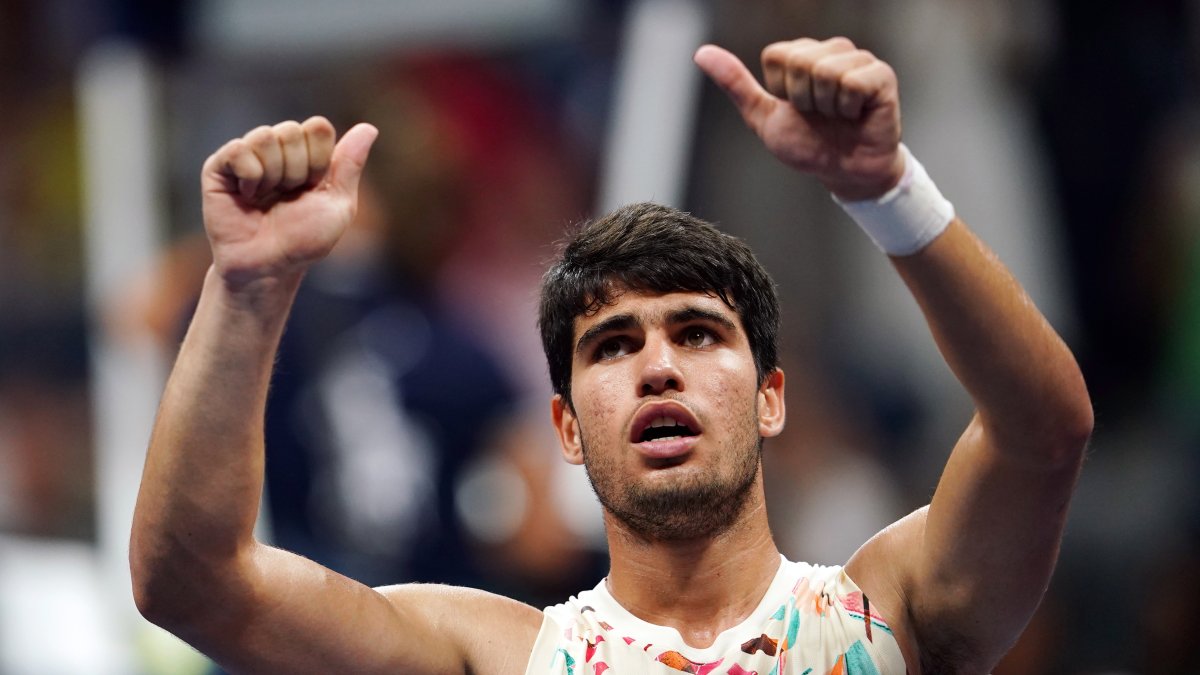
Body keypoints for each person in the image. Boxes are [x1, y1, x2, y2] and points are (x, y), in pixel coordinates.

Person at [130, 36, 1092, 674]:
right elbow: (193, 581)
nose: (658, 365)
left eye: (699, 332)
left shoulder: (892, 613)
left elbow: (1045, 430)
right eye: (613, 345)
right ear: (566, 428)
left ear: (771, 398)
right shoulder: (499, 656)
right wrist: (248, 289)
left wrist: (890, 192)